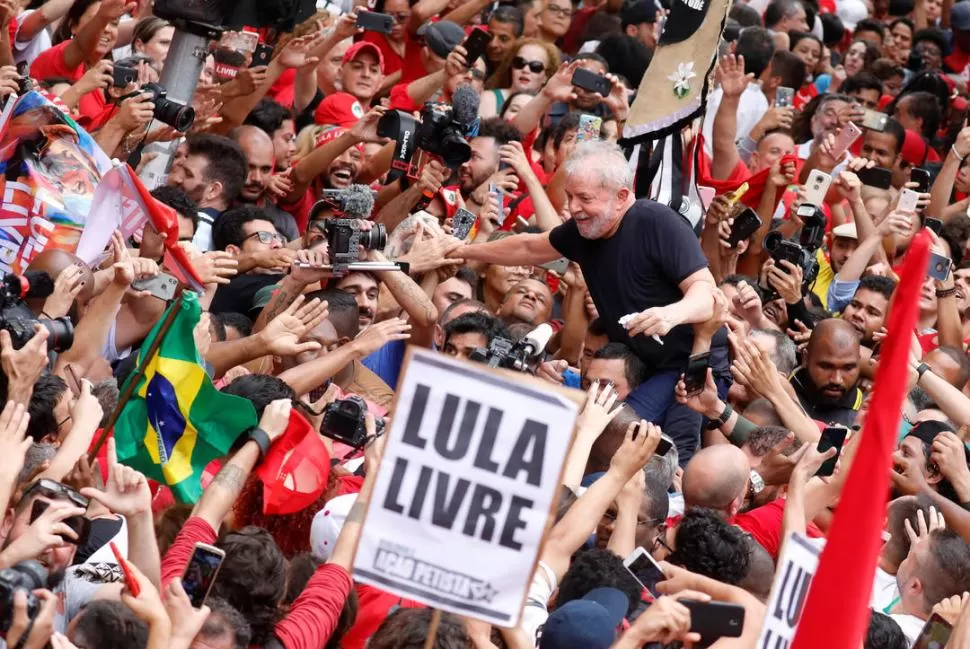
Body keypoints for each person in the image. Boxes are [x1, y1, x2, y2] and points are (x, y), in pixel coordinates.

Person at [454, 140, 718, 428]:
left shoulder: (657, 223)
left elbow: (708, 294)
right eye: (569, 197)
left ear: (621, 196)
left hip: (687, 363)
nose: (574, 208)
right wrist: (460, 249)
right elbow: (529, 247)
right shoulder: (585, 230)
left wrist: (670, 314)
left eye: (585, 198)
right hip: (635, 361)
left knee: (612, 428)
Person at [167, 134, 249, 252]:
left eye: (188, 174)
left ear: (213, 190)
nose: (178, 179)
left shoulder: (190, 232)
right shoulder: (223, 233)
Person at [791, 319, 864, 426]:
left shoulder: (865, 416)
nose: (836, 380)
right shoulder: (777, 391)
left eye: (848, 368)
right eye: (826, 367)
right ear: (806, 358)